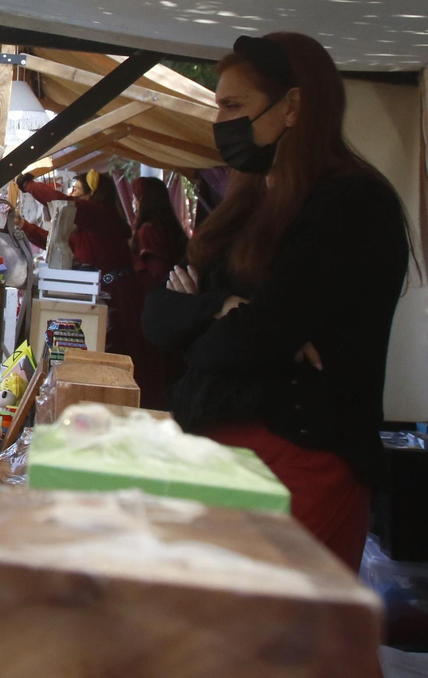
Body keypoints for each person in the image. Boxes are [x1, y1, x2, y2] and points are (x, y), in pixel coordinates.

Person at [143, 33, 411, 570]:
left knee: (270, 639)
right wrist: (218, 311)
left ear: (293, 106)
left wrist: (217, 323)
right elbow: (158, 314)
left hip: (302, 459)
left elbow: (251, 343)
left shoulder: (351, 204)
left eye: (234, 105)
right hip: (226, 451)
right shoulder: (250, 201)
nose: (221, 121)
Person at [18, 169, 163, 407]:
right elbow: (52, 240)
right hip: (106, 296)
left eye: (75, 189)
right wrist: (22, 224)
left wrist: (29, 185)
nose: (70, 194)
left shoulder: (101, 216)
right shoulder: (86, 229)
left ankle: (128, 404)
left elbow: (62, 202)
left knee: (124, 355)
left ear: (93, 193)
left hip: (121, 299)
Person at [130, 176, 187, 289]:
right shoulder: (170, 227)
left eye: (136, 198)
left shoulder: (148, 232)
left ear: (144, 201)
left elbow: (156, 273)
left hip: (157, 295)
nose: (133, 202)